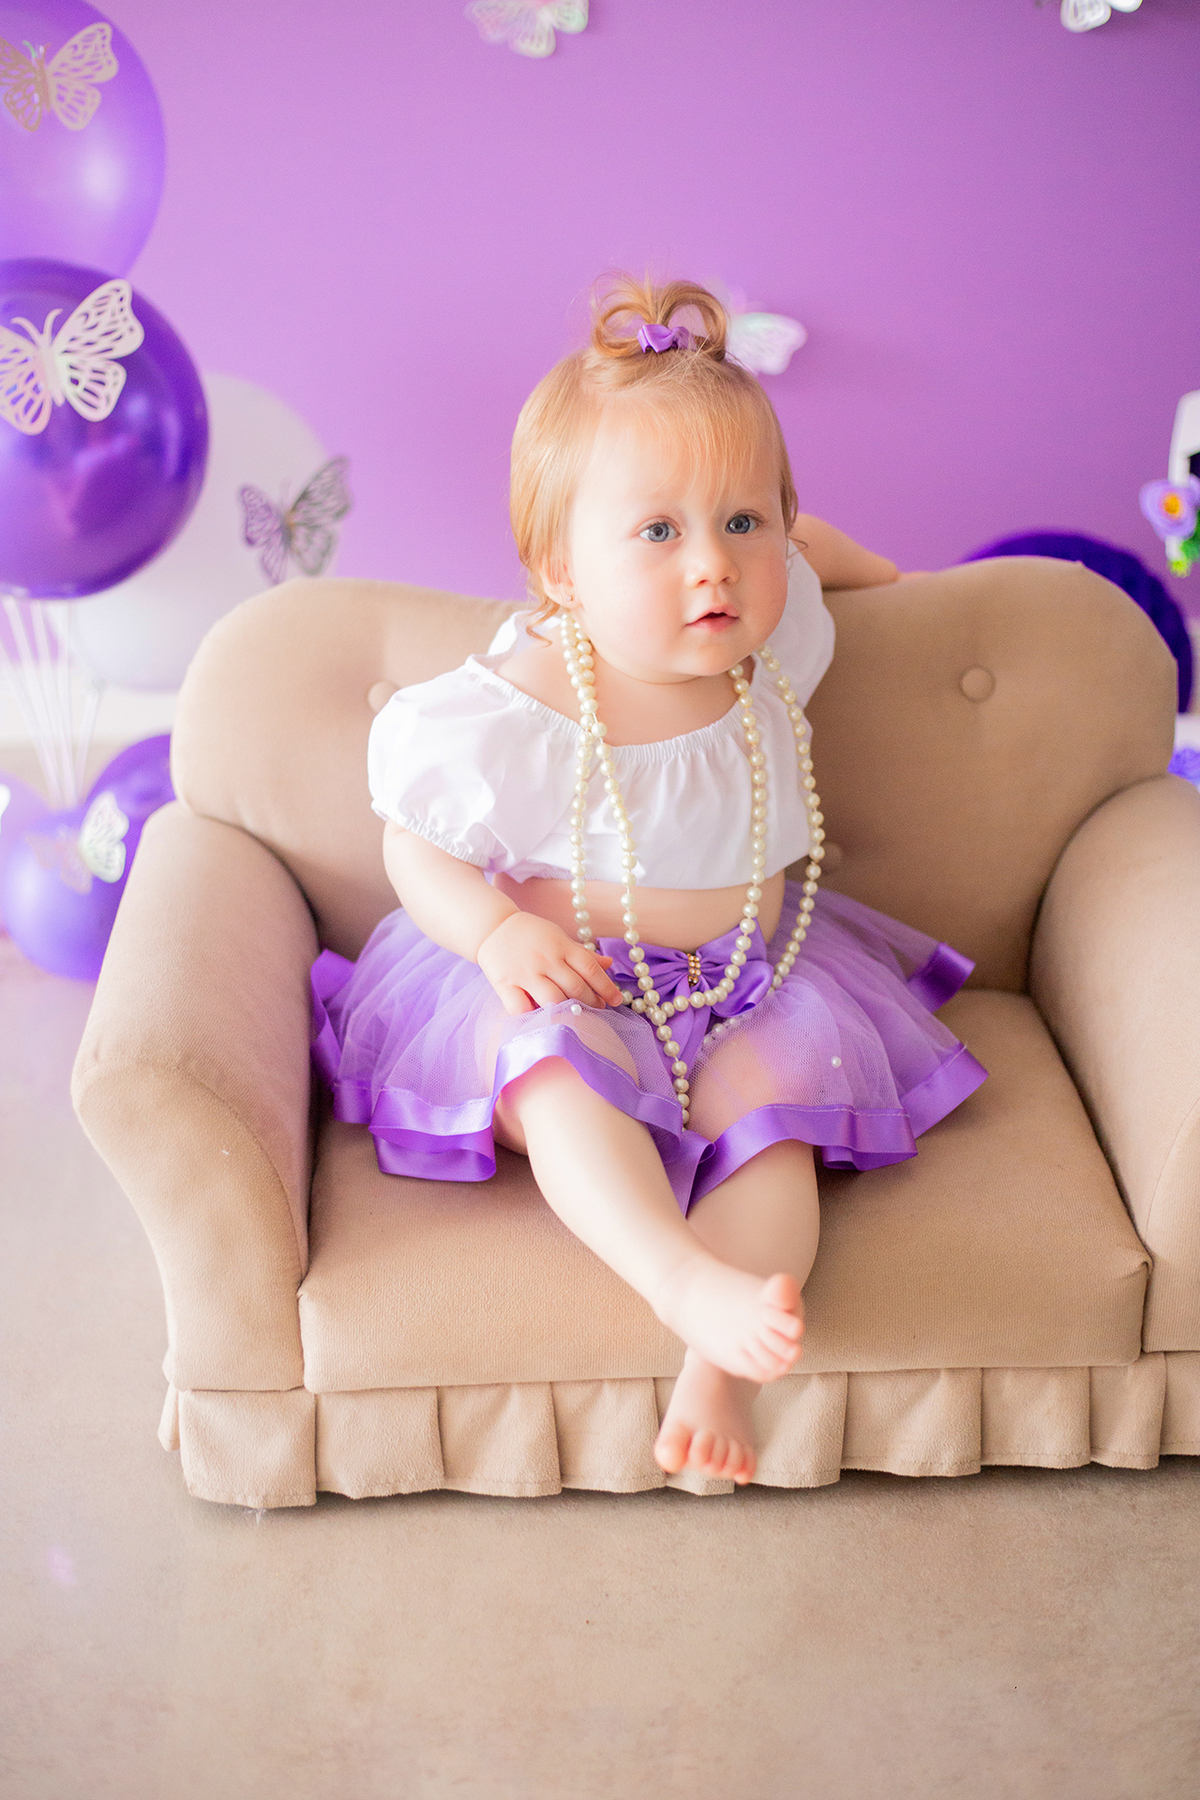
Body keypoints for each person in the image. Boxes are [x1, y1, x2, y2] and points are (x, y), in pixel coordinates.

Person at [311, 277, 988, 1487]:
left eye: (742, 524)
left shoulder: (778, 635)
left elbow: (816, 549)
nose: (712, 569)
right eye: (658, 533)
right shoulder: (518, 707)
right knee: (557, 1077)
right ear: (559, 572)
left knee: (778, 1124)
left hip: (752, 976)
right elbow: (418, 844)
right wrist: (488, 940)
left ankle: (717, 1362)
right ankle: (672, 1274)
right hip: (565, 973)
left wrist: (885, 571)